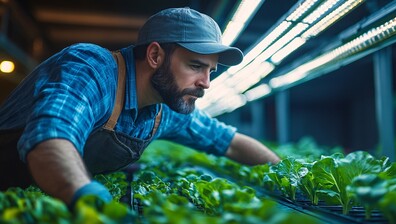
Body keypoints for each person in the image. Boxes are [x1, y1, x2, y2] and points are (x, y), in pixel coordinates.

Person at [0, 7, 280, 207]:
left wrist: (287, 177)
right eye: (195, 66)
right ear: (155, 55)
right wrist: (86, 196)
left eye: (211, 71)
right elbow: (51, 138)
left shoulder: (164, 110)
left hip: (44, 202)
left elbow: (230, 143)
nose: (205, 83)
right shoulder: (91, 70)